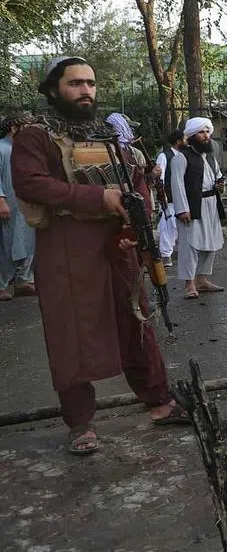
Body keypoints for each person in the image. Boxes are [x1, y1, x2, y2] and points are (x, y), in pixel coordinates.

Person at [11, 56, 189, 455]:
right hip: (66, 248)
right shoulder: (35, 136)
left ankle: (160, 401)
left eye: (90, 83)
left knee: (136, 319)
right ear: (53, 89)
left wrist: (133, 224)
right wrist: (99, 198)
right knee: (70, 333)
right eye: (75, 83)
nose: (86, 90)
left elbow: (135, 180)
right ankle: (80, 423)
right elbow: (31, 183)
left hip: (117, 245)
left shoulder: (106, 135)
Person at [169, 117, 225, 299]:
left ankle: (202, 279)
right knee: (190, 244)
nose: (206, 136)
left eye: (207, 132)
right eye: (201, 132)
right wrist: (182, 209)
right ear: (192, 135)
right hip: (192, 205)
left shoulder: (210, 157)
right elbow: (177, 184)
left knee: (211, 242)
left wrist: (220, 185)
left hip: (211, 204)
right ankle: (189, 284)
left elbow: (218, 176)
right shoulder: (181, 157)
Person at [0, 112, 37, 301]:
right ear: (14, 127)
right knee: (6, 244)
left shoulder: (25, 150)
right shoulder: (2, 148)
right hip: (8, 204)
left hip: (26, 205)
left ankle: (23, 280)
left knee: (28, 242)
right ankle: (1, 285)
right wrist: (1, 200)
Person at [155, 129, 186, 266]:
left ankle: (181, 251)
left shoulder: (184, 156)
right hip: (170, 196)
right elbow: (160, 177)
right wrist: (163, 195)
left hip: (184, 196)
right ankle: (166, 254)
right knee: (168, 226)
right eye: (185, 139)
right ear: (178, 141)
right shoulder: (164, 156)